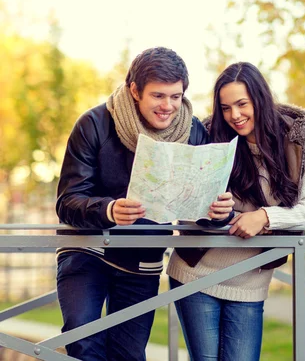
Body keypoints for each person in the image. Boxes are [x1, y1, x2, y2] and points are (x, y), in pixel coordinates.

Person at [55, 47, 234, 361]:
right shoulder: (94, 124)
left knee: (129, 354)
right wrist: (109, 210)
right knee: (82, 341)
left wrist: (220, 213)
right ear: (134, 90)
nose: (168, 107)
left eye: (176, 97)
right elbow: (67, 200)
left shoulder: (193, 133)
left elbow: (201, 209)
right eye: (158, 96)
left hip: (143, 260)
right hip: (87, 251)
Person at [166, 61, 305, 361]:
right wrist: (211, 212)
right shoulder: (209, 135)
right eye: (226, 108)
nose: (234, 116)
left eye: (242, 104)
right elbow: (184, 204)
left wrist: (265, 216)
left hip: (250, 280)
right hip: (195, 271)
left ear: (260, 99)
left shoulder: (298, 137)